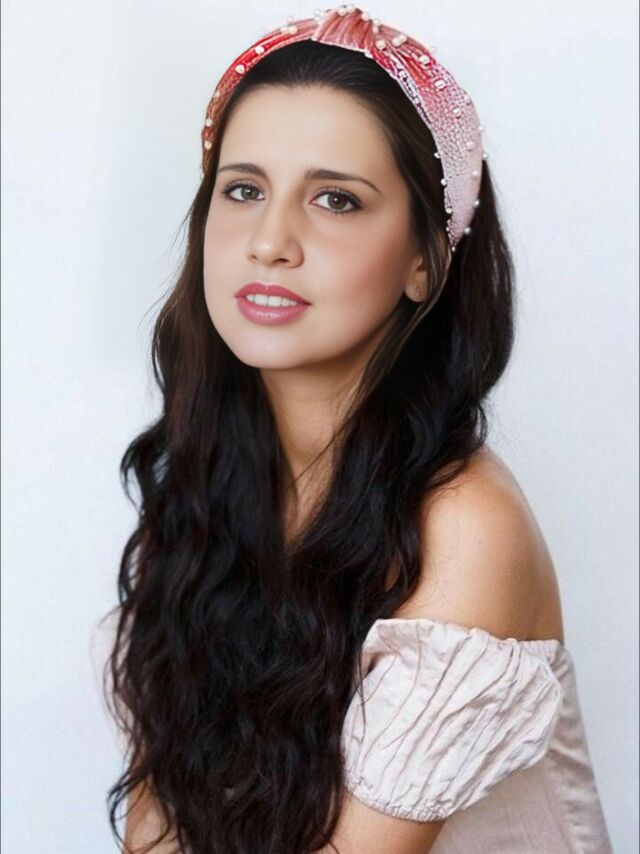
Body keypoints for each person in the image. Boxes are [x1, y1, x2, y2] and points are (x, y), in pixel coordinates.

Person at [96, 6, 613, 852]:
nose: (270, 241)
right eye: (244, 190)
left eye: (335, 199)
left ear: (425, 261)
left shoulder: (464, 529)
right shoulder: (206, 487)